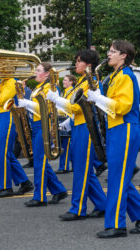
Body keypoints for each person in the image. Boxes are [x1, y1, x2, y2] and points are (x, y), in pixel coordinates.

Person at [86, 40, 140, 238]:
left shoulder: (125, 75)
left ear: (123, 55)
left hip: (125, 128)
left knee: (117, 178)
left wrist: (98, 98)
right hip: (117, 128)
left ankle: (116, 225)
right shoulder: (116, 75)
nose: (108, 54)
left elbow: (124, 106)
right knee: (120, 177)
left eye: (112, 51)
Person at [47, 50, 106, 220]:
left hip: (87, 128)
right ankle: (101, 204)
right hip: (79, 126)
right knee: (84, 169)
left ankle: (77, 209)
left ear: (88, 64)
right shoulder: (82, 81)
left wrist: (56, 99)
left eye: (79, 61)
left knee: (81, 169)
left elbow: (77, 107)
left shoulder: (91, 80)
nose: (76, 63)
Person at [18, 62, 67, 207]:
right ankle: (58, 190)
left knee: (40, 161)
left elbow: (47, 109)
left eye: (38, 70)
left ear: (47, 74)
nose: (35, 73)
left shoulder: (50, 87)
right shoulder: (39, 87)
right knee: (41, 161)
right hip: (36, 124)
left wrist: (26, 103)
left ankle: (39, 197)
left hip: (44, 126)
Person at [0, 76, 34, 198]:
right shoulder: (3, 81)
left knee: (3, 153)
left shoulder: (12, 82)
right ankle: (25, 182)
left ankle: (5, 187)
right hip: (1, 117)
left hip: (8, 117)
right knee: (7, 154)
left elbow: (0, 100)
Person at [55, 75, 76, 174]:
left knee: (66, 144)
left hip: (67, 120)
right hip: (62, 119)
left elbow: (68, 105)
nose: (63, 81)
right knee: (67, 145)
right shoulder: (65, 92)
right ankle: (74, 164)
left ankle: (64, 167)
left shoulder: (72, 92)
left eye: (66, 80)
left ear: (71, 82)